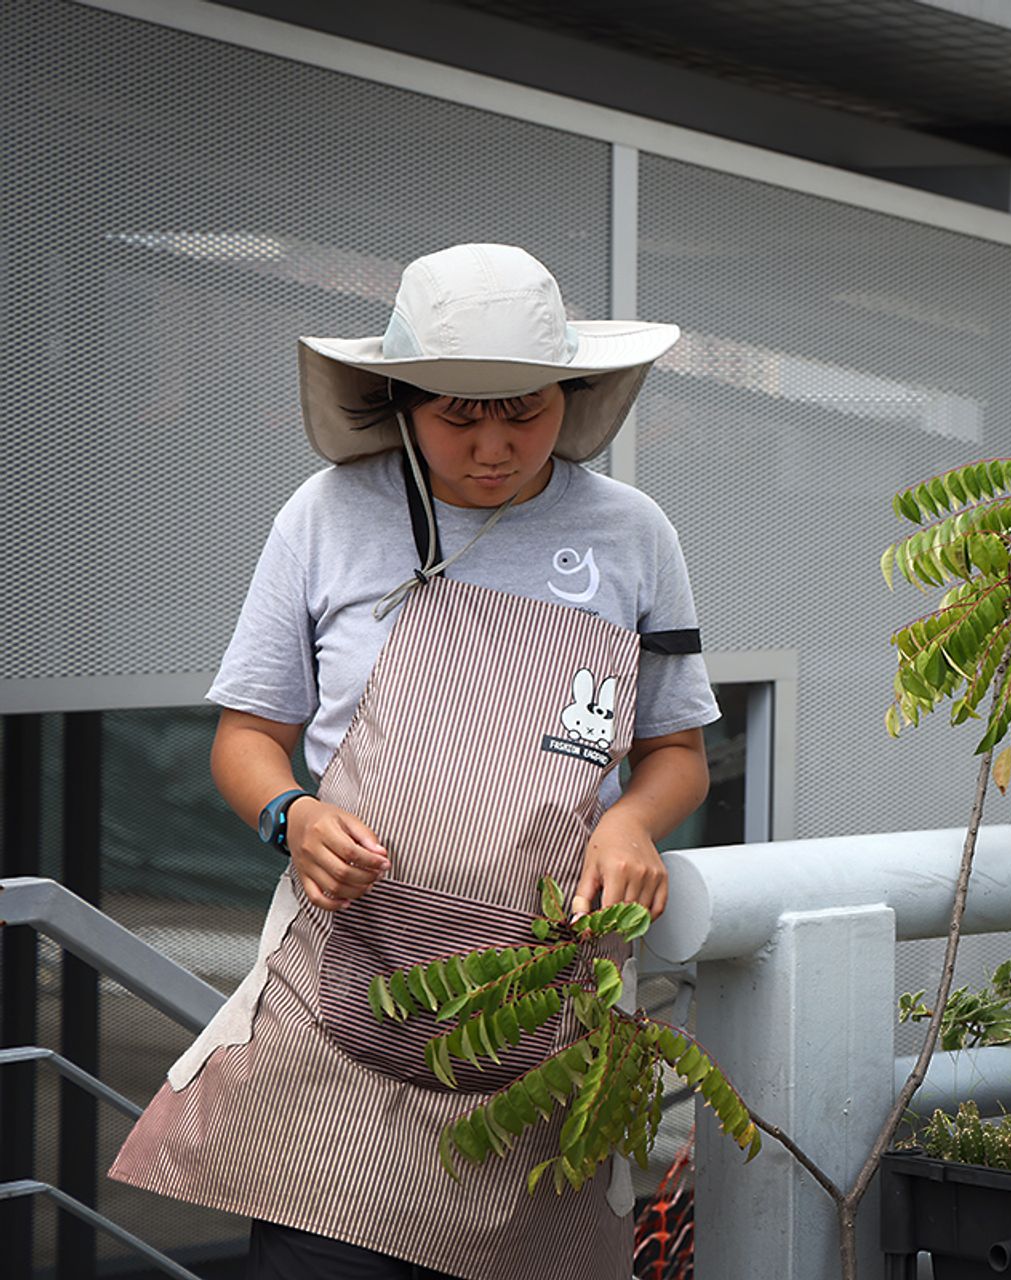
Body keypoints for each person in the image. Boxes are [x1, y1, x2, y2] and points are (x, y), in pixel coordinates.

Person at [110, 243, 720, 1280]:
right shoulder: (326, 515)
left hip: (543, 1018)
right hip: (336, 1016)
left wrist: (629, 822)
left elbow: (676, 751)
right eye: (457, 414)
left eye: (521, 411)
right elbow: (245, 736)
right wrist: (291, 817)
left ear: (569, 397)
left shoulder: (633, 536)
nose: (492, 446)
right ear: (397, 399)